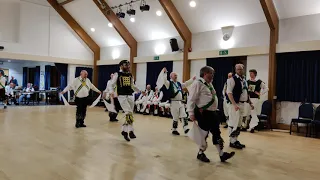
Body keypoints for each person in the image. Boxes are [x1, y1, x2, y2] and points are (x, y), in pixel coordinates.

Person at [188, 66, 235, 163]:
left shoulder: (209, 84)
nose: (212, 75)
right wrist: (191, 113)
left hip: (212, 113)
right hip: (203, 113)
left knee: (217, 133)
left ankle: (222, 154)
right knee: (203, 134)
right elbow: (191, 99)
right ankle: (200, 153)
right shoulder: (197, 83)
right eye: (211, 73)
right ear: (205, 73)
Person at [108, 60, 140, 142]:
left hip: (130, 95)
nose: (128, 66)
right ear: (121, 66)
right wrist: (111, 92)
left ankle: (124, 131)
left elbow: (133, 85)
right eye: (126, 65)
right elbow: (112, 85)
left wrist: (139, 90)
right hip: (122, 96)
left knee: (129, 114)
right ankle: (131, 130)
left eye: (129, 65)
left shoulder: (130, 75)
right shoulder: (117, 74)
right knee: (128, 112)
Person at [157, 67, 196, 135]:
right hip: (174, 102)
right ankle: (174, 129)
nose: (176, 76)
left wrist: (192, 80)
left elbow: (186, 84)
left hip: (180, 102)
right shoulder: (169, 83)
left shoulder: (178, 84)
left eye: (176, 75)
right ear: (171, 76)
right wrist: (165, 73)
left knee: (184, 115)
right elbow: (164, 80)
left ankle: (186, 128)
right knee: (175, 117)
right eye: (175, 75)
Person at [226, 64, 254, 149]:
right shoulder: (231, 80)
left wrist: (250, 102)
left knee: (238, 123)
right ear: (235, 70)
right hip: (235, 104)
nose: (240, 71)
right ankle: (232, 141)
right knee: (233, 122)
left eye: (241, 69)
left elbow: (246, 93)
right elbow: (229, 93)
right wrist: (234, 104)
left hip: (242, 104)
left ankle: (235, 140)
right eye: (238, 69)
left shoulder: (244, 80)